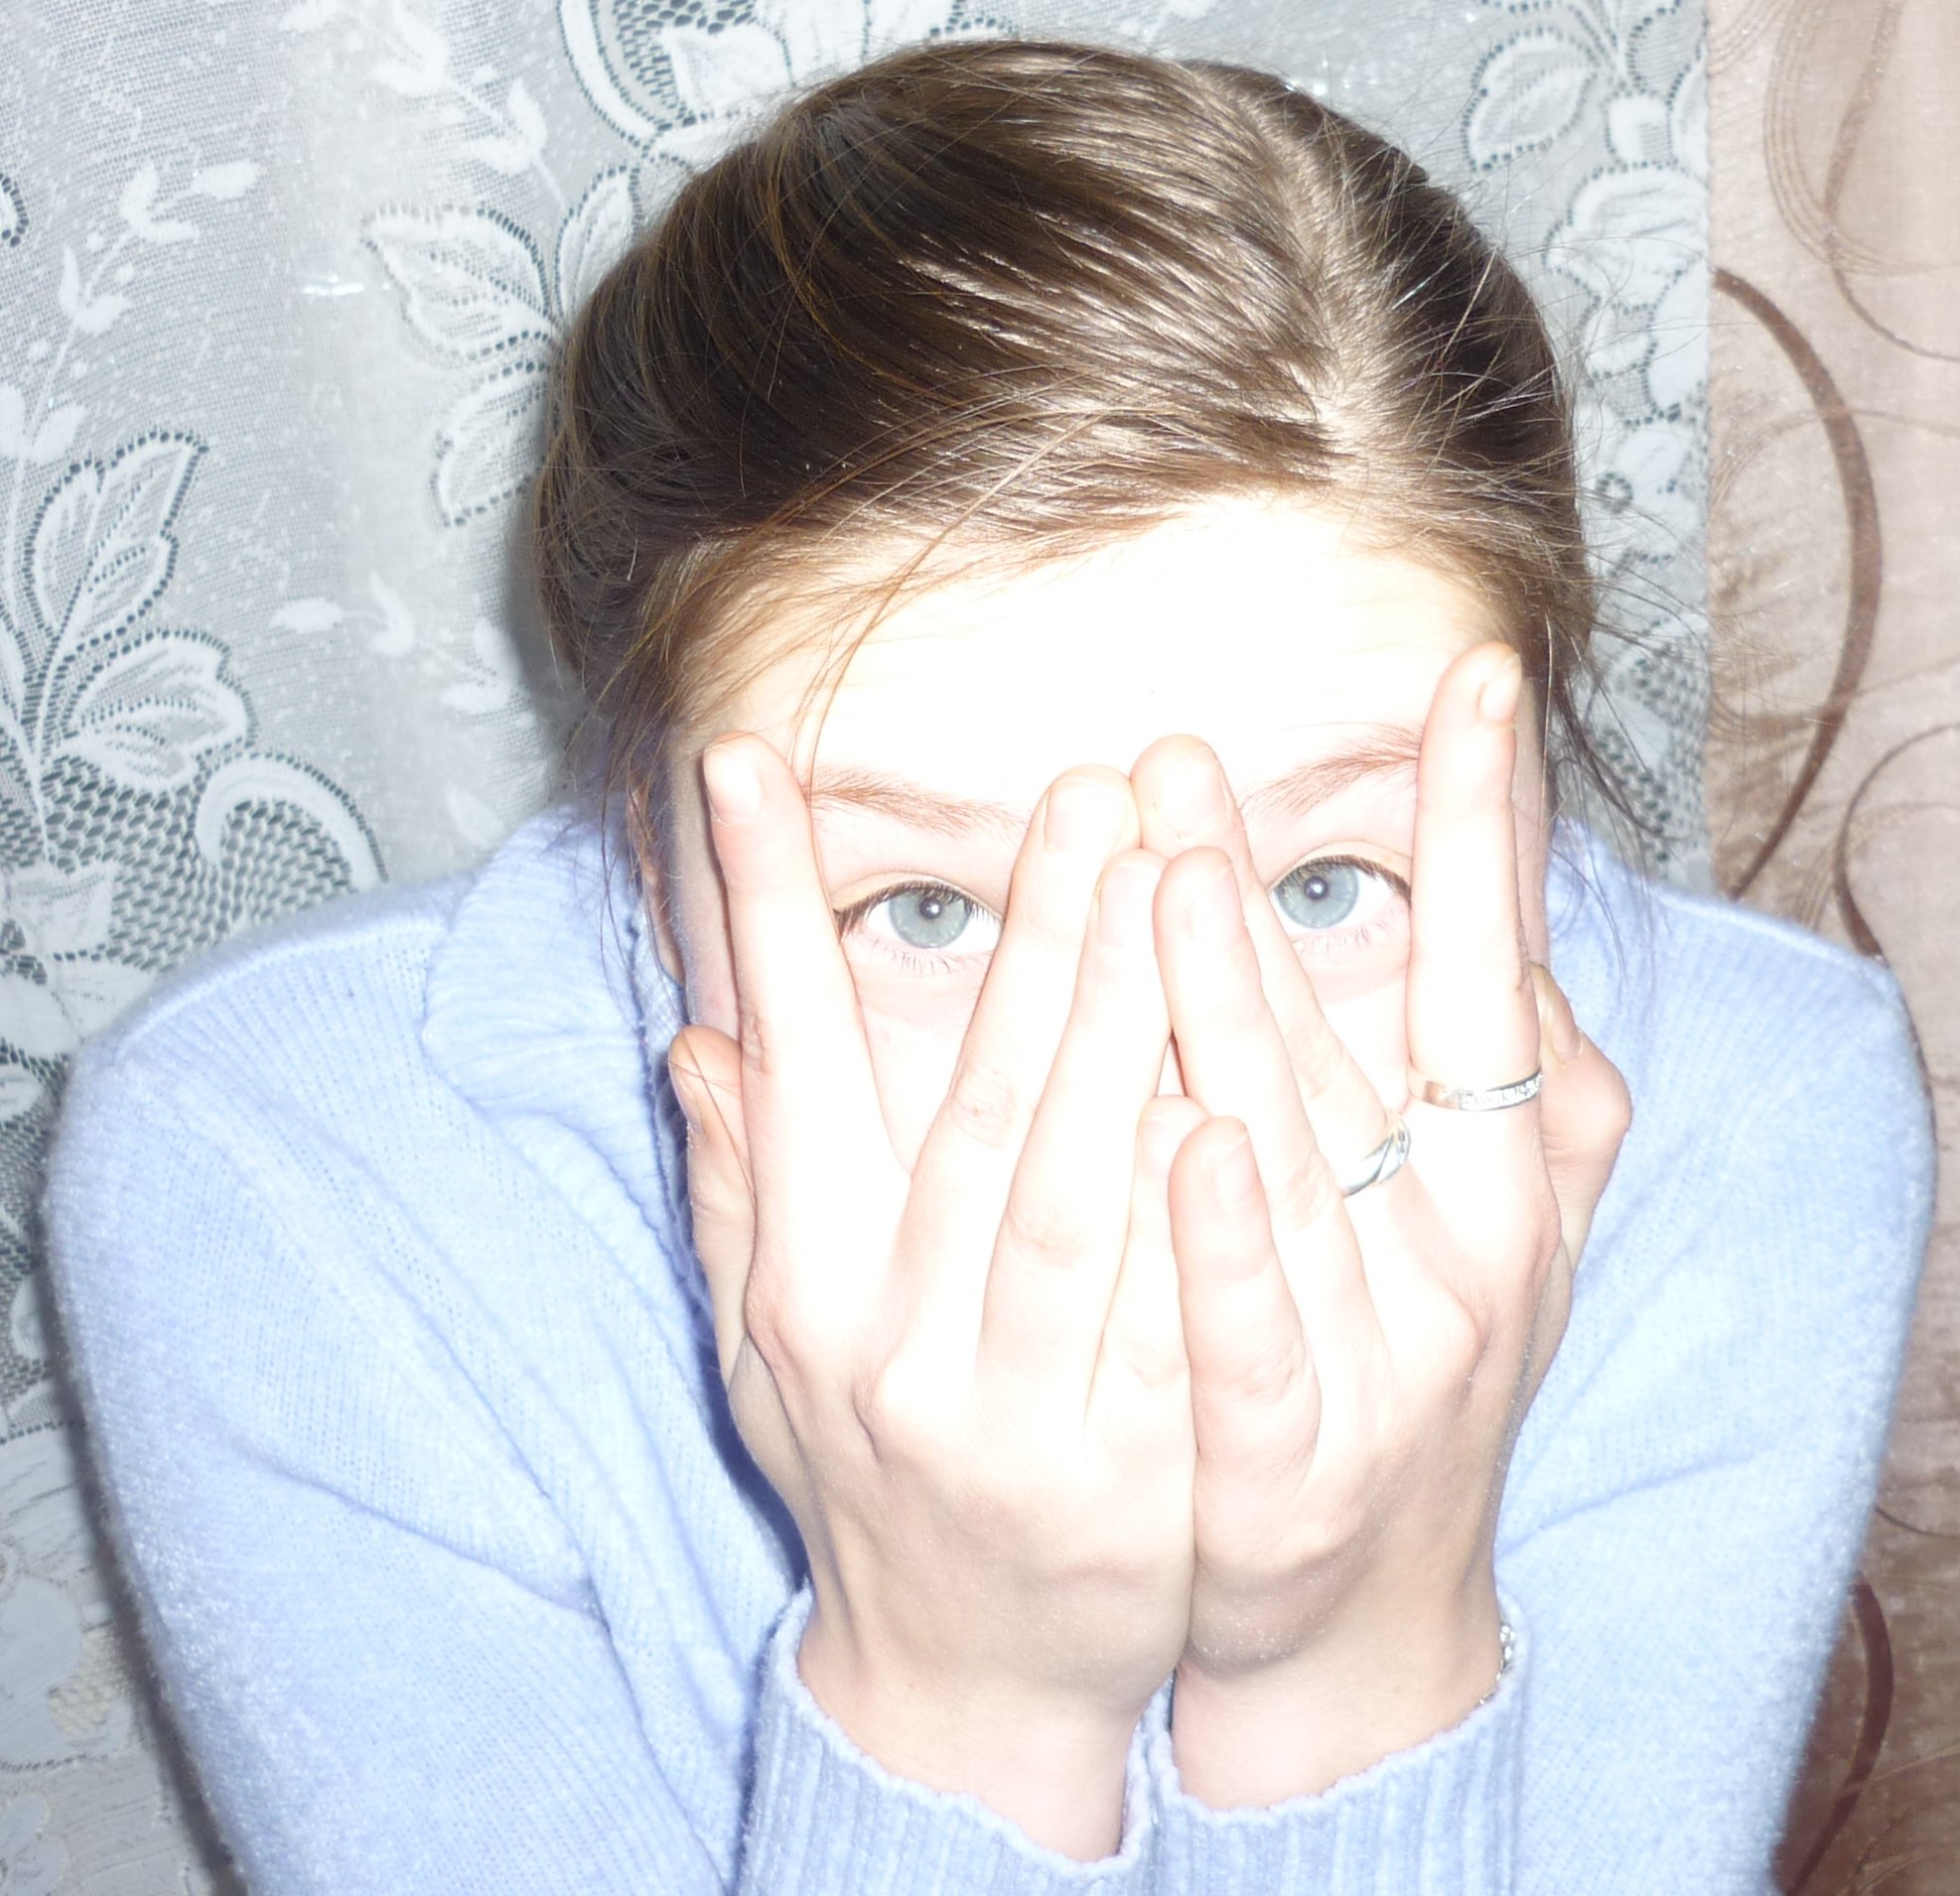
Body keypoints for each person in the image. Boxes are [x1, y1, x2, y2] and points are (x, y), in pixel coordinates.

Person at [43, 35, 1933, 1896]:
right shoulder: (285, 1172)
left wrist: (1349, 1658)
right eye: (927, 908)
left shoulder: (1751, 1103)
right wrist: (964, 1700)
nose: (1160, 1088)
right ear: (643, 845)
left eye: (1318, 883)